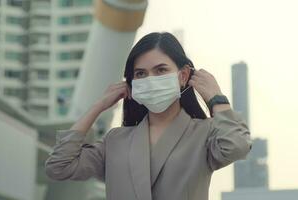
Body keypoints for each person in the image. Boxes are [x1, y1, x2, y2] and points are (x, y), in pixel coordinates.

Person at [45, 32, 252, 200]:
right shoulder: (115, 140)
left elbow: (237, 146)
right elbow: (59, 166)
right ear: (132, 82)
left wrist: (216, 99)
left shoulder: (204, 133)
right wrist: (98, 106)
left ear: (183, 76)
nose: (150, 80)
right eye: (141, 74)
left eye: (161, 70)